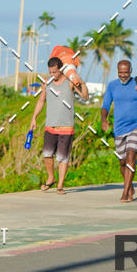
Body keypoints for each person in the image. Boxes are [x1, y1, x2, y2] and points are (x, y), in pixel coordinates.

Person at [29, 56, 88, 194]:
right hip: (50, 126)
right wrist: (33, 118)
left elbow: (85, 96)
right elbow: (41, 101)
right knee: (47, 154)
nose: (52, 75)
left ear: (61, 69)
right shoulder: (47, 83)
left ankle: (60, 185)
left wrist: (81, 82)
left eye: (54, 72)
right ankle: (51, 178)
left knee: (63, 157)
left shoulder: (70, 82)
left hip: (66, 127)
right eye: (50, 72)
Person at [101, 59, 137, 202]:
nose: (123, 75)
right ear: (117, 71)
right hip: (119, 128)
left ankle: (125, 193)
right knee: (122, 161)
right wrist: (104, 119)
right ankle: (129, 186)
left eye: (126, 72)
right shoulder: (112, 85)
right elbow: (105, 105)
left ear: (130, 71)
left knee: (131, 156)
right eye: (120, 72)